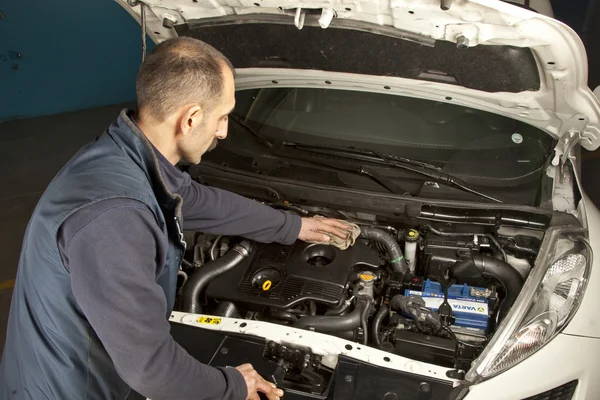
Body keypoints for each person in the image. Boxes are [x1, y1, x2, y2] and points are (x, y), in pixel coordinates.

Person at [0, 37, 352, 400]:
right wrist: (233, 385)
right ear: (191, 118)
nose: (222, 131)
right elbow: (151, 369)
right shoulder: (115, 218)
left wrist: (292, 226)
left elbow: (194, 198)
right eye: (222, 117)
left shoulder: (122, 153)